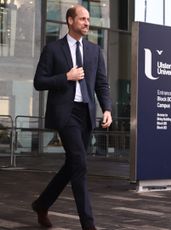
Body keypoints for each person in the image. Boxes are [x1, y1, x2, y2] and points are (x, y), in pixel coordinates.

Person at [32, 4, 112, 230]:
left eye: (88, 19)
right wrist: (66, 77)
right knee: (80, 164)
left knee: (74, 164)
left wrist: (107, 109)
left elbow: (102, 84)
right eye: (83, 19)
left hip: (85, 113)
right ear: (70, 21)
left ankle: (41, 204)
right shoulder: (53, 50)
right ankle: (88, 225)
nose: (87, 23)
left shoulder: (95, 51)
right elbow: (39, 81)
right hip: (65, 114)